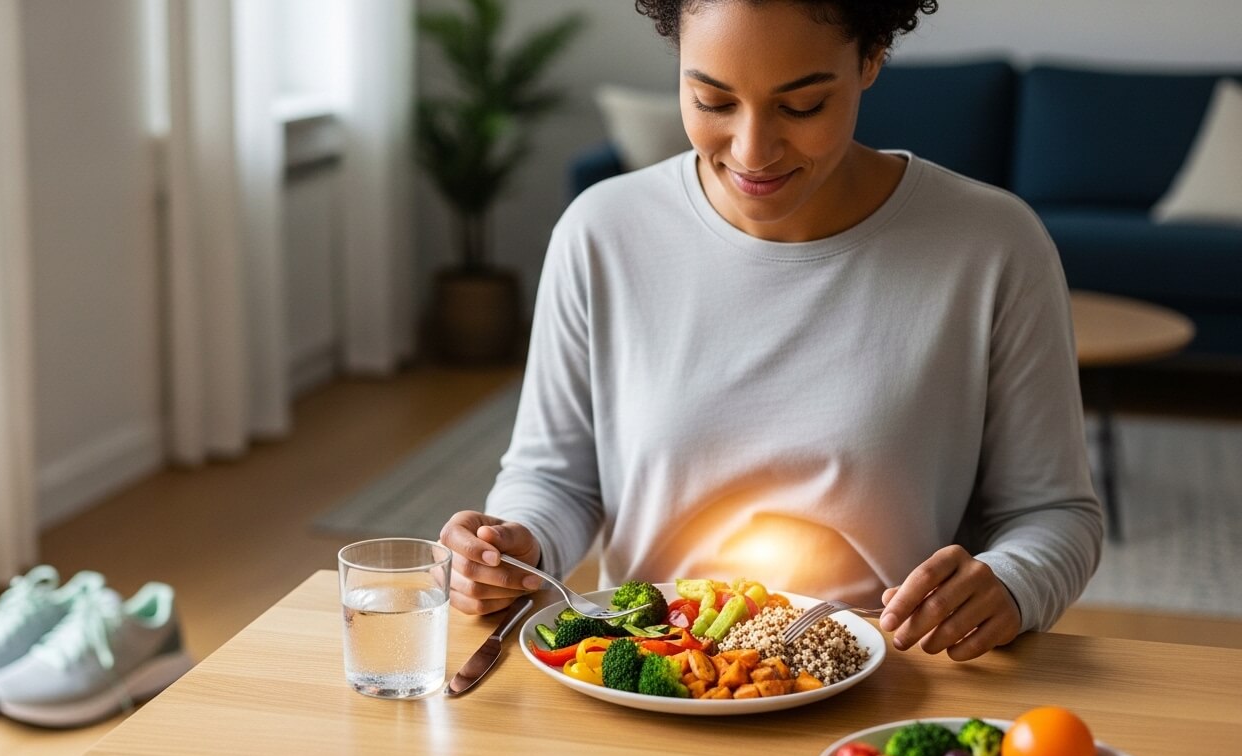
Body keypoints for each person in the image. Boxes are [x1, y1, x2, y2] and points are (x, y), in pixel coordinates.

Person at [439, 0, 1103, 662]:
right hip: (647, 676)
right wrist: (514, 546)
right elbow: (554, 478)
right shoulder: (602, 232)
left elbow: (1053, 514)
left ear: (871, 61)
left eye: (802, 106)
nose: (752, 150)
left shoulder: (993, 245)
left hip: (891, 677)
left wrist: (1011, 583)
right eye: (713, 101)